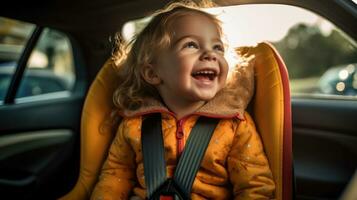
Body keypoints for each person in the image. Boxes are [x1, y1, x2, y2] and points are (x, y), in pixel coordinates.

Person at [91, 1, 275, 199]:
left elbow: (255, 187)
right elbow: (114, 177)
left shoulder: (235, 126)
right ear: (153, 73)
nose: (210, 54)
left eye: (218, 47)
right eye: (191, 45)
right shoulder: (133, 125)